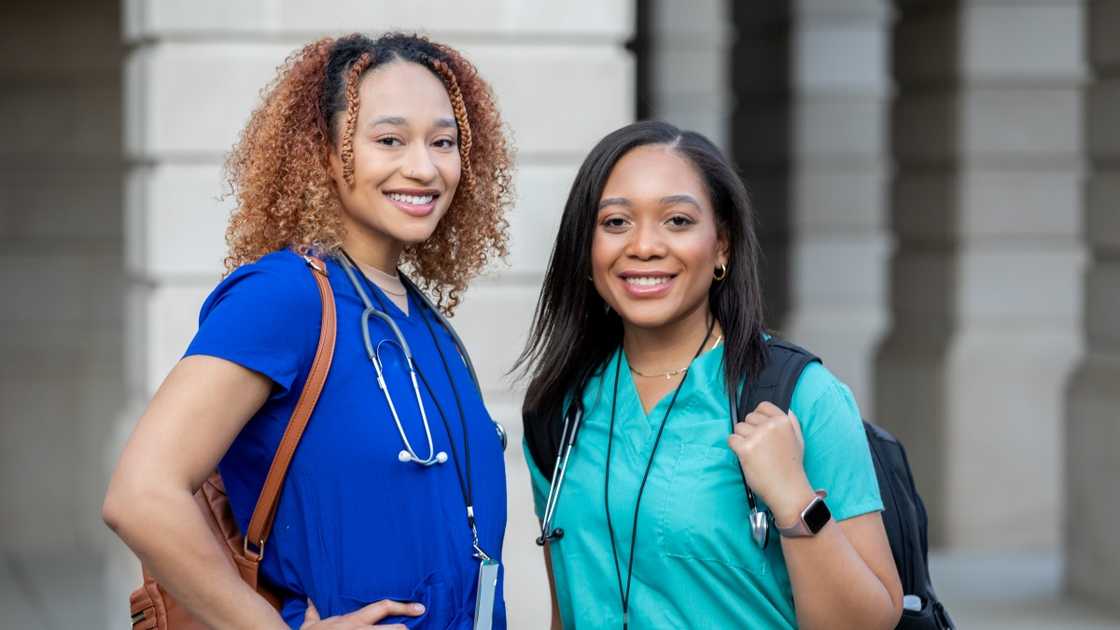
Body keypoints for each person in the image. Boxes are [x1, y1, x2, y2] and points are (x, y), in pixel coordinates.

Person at [103, 32, 513, 629]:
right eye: (389, 139)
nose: (423, 167)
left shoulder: (424, 323)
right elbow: (141, 495)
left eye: (443, 142)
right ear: (323, 152)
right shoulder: (284, 296)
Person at [517, 121, 902, 629]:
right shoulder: (560, 411)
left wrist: (795, 500)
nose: (645, 246)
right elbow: (567, 611)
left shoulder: (801, 397)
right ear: (586, 251)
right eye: (615, 223)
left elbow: (870, 623)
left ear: (721, 246)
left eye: (677, 220)